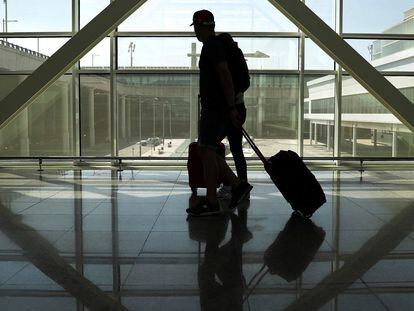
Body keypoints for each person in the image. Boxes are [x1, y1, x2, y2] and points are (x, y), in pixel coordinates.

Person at [186, 10, 252, 217]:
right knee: (208, 151)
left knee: (206, 151)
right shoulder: (217, 45)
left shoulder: (212, 46)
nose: (195, 32)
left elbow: (224, 74)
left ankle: (218, 198)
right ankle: (233, 187)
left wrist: (231, 107)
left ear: (199, 27)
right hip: (222, 108)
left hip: (217, 110)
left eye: (196, 27)